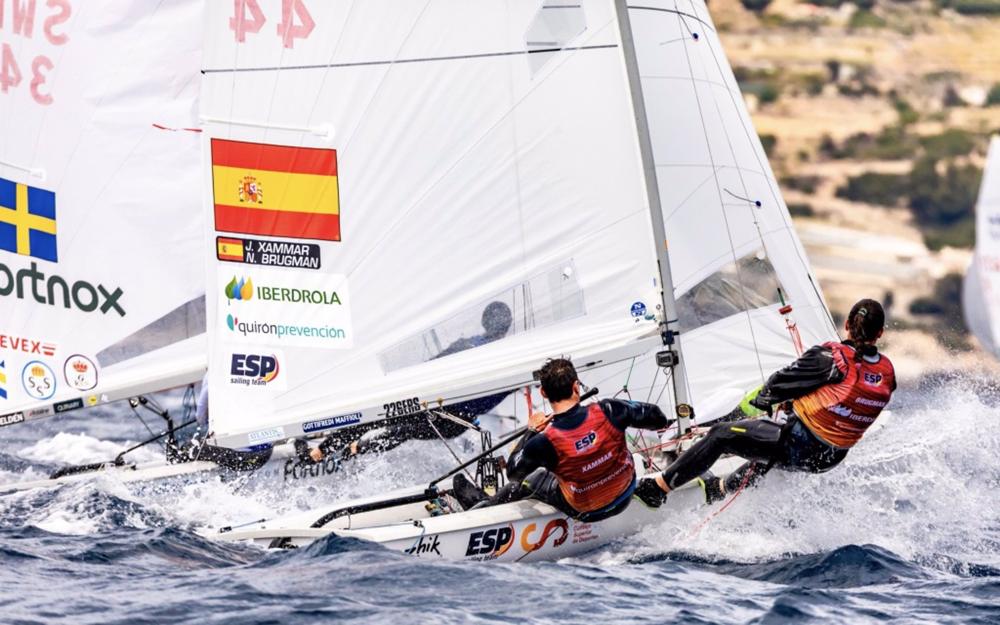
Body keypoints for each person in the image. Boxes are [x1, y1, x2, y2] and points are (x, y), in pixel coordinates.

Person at [634, 298, 896, 507]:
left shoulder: (831, 358)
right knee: (766, 447)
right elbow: (851, 400)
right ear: (880, 333)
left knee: (722, 434)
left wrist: (759, 404)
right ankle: (720, 489)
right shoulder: (887, 372)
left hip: (800, 446)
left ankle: (658, 488)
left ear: (847, 324)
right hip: (830, 458)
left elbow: (775, 386)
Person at [452, 357, 671, 522]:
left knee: (526, 483)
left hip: (585, 512)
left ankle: (484, 509)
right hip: (625, 495)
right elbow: (658, 418)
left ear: (543, 393)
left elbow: (513, 473)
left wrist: (531, 431)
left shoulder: (544, 442)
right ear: (576, 387)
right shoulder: (610, 410)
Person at [309, 301, 515, 463]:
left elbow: (426, 367)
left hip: (446, 415)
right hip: (446, 415)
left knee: (384, 421)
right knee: (398, 427)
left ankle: (325, 451)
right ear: (509, 323)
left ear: (484, 321)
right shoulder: (514, 358)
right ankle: (344, 450)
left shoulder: (474, 347)